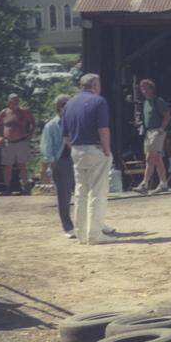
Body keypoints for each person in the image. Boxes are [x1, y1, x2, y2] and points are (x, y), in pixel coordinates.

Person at [61, 74, 115, 245]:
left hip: (76, 150)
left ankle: (81, 233)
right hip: (95, 149)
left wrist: (76, 149)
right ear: (95, 85)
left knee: (80, 192)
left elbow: (66, 136)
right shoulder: (99, 101)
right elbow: (103, 129)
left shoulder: (69, 103)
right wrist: (106, 150)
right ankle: (95, 234)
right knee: (97, 192)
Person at [40, 94, 75, 238]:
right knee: (64, 197)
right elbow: (47, 148)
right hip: (61, 162)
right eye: (66, 105)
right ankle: (67, 227)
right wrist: (50, 166)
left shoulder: (73, 121)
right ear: (59, 108)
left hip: (76, 160)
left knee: (80, 194)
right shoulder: (51, 125)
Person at [134, 79, 171, 195]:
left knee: (151, 157)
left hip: (157, 131)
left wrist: (161, 128)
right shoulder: (145, 103)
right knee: (156, 158)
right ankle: (163, 183)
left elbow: (167, 115)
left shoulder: (158, 101)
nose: (143, 91)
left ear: (151, 88)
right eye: (142, 88)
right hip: (148, 132)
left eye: (145, 88)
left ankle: (144, 184)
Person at [0, 93, 35, 194]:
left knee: (22, 165)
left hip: (21, 141)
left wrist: (30, 135)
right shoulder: (4, 112)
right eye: (13, 100)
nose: (16, 102)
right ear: (9, 102)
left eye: (17, 100)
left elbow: (33, 123)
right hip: (8, 143)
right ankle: (7, 188)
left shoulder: (24, 112)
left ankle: (26, 187)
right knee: (7, 167)